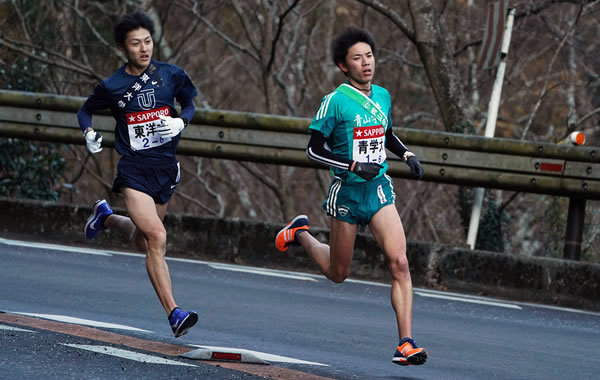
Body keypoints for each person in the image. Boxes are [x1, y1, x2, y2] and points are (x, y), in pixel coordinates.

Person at [275, 27, 427, 366]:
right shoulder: (336, 101)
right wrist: (353, 165)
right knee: (338, 273)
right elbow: (314, 150)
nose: (366, 63)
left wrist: (407, 155)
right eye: (357, 58)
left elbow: (385, 132)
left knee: (400, 262)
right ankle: (300, 234)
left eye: (369, 55)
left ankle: (405, 342)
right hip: (347, 193)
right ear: (344, 66)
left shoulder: (383, 96)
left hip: (378, 190)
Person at [77, 10, 198, 338]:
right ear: (122, 47)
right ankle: (174, 313)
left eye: (147, 41)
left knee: (140, 238)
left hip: (165, 170)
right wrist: (88, 132)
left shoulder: (170, 74)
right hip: (133, 171)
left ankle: (105, 217)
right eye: (135, 44)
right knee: (157, 238)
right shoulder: (113, 86)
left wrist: (181, 121)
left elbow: (189, 104)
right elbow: (85, 110)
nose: (144, 49)